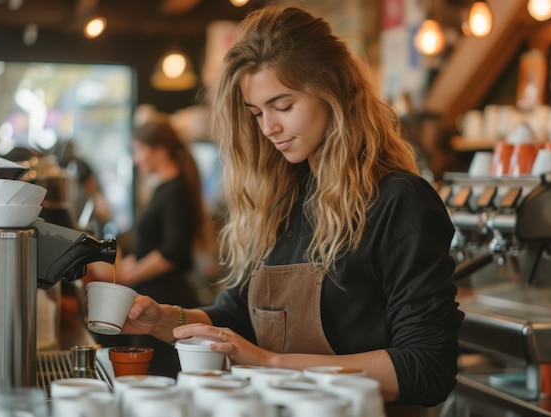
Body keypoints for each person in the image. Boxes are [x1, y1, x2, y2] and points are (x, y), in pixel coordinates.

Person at [119, 5, 463, 412]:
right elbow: (240, 313)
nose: (268, 128)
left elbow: (427, 367)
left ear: (332, 89)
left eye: (282, 106)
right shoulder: (282, 199)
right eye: (257, 113)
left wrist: (273, 363)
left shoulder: (398, 201)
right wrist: (167, 320)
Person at [89, 115, 213, 377]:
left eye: (138, 150)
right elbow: (148, 250)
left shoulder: (174, 191)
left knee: (159, 378)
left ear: (158, 150)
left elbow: (171, 253)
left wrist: (124, 276)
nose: (136, 159)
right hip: (153, 299)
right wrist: (118, 273)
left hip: (167, 300)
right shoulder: (162, 190)